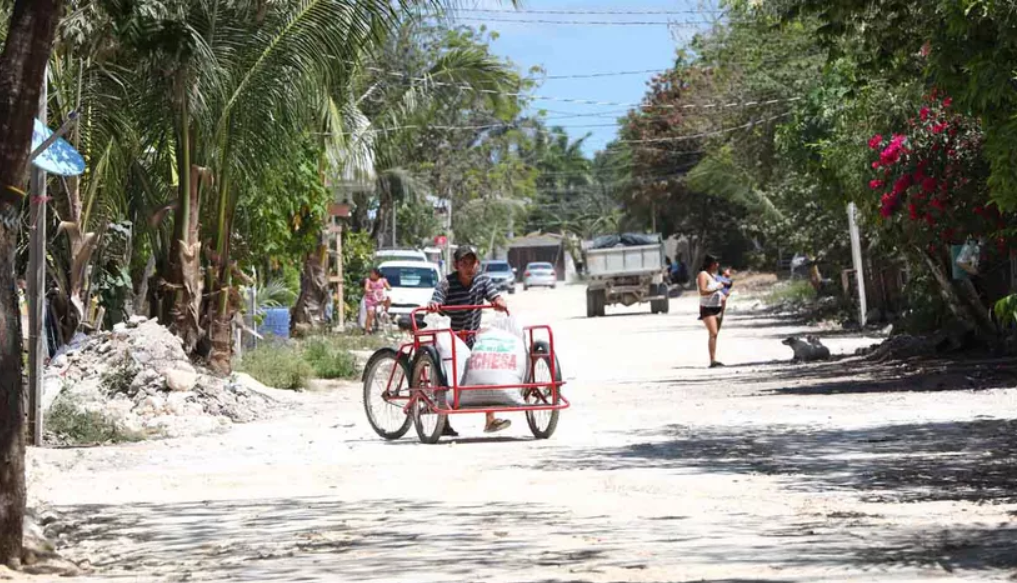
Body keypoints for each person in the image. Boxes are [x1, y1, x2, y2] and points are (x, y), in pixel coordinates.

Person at [428, 244, 511, 436]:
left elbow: (495, 295)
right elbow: (437, 298)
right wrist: (434, 304)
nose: (469, 267)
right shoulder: (447, 283)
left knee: (486, 372)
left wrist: (499, 301)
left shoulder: (482, 280)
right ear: (457, 266)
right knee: (445, 378)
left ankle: (490, 419)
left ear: (477, 264)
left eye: (472, 262)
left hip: (472, 337)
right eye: (464, 263)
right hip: (450, 340)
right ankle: (444, 421)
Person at [697, 254, 728, 368]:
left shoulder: (714, 276)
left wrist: (724, 294)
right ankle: (712, 361)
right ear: (710, 264)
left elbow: (720, 289)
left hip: (719, 307)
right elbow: (703, 291)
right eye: (716, 263)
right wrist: (717, 288)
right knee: (713, 333)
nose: (718, 265)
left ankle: (714, 359)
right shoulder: (703, 275)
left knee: (715, 335)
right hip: (707, 308)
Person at [363, 268, 391, 334]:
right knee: (370, 314)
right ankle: (367, 330)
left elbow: (389, 287)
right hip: (371, 300)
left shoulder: (383, 280)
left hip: (380, 300)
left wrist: (386, 289)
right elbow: (366, 288)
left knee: (388, 298)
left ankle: (385, 311)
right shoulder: (368, 280)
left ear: (377, 275)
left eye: (372, 273)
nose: (371, 275)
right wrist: (371, 290)